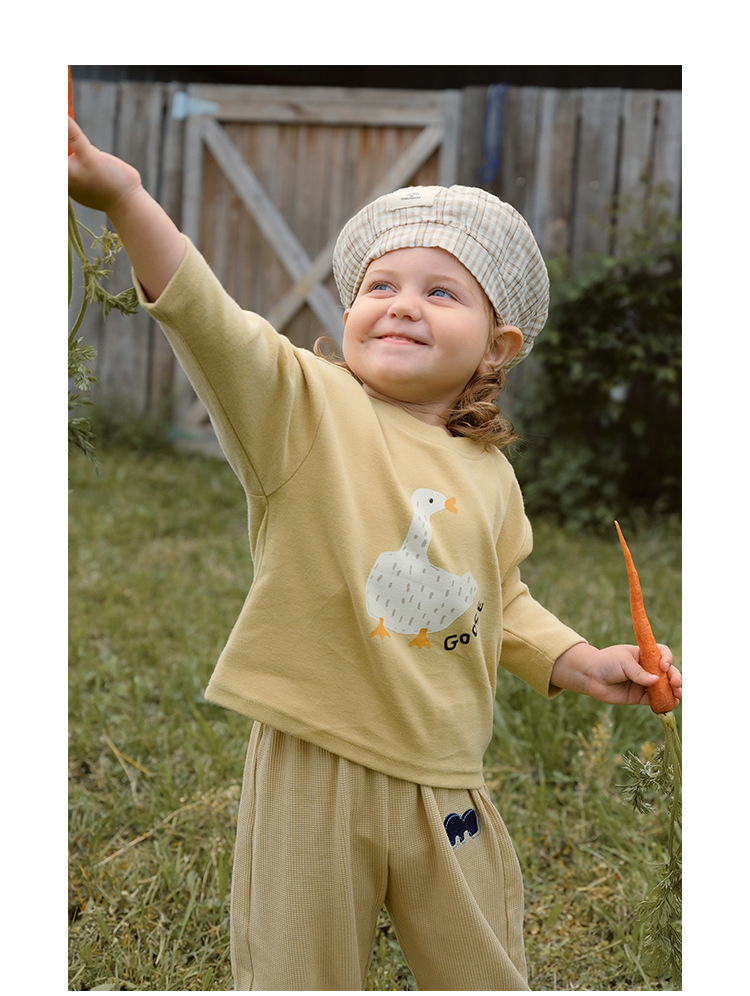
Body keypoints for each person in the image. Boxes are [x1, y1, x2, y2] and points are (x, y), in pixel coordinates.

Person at [68, 117, 682, 992]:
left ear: (498, 347)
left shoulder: (489, 473)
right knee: (297, 974)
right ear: (349, 312)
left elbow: (499, 596)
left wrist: (580, 660)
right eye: (380, 284)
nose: (401, 303)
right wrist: (126, 198)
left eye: (442, 292)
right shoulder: (302, 412)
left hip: (446, 773)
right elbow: (212, 323)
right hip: (315, 762)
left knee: (485, 972)